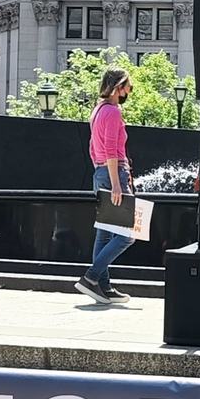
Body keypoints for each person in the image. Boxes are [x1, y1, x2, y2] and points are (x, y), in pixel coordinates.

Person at [75, 68, 135, 304]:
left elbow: (93, 148)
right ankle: (91, 277)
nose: (130, 90)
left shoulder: (98, 110)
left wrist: (101, 172)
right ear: (118, 87)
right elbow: (111, 149)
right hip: (114, 173)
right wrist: (116, 185)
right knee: (127, 235)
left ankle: (104, 287)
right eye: (128, 86)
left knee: (104, 233)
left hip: (101, 171)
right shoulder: (112, 112)